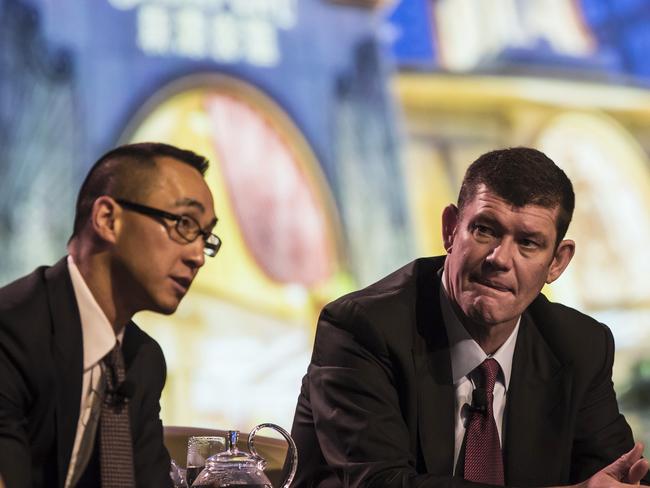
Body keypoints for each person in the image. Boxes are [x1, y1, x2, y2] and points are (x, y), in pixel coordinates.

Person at [289, 147, 650, 488]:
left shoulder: (579, 346)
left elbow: (610, 475)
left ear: (557, 262)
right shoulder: (361, 330)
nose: (500, 258)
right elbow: (382, 484)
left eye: (528, 243)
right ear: (450, 229)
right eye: (485, 230)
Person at [0, 142, 221, 487]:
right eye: (184, 224)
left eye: (205, 237)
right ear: (107, 219)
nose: (198, 255)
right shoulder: (12, 333)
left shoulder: (143, 360)